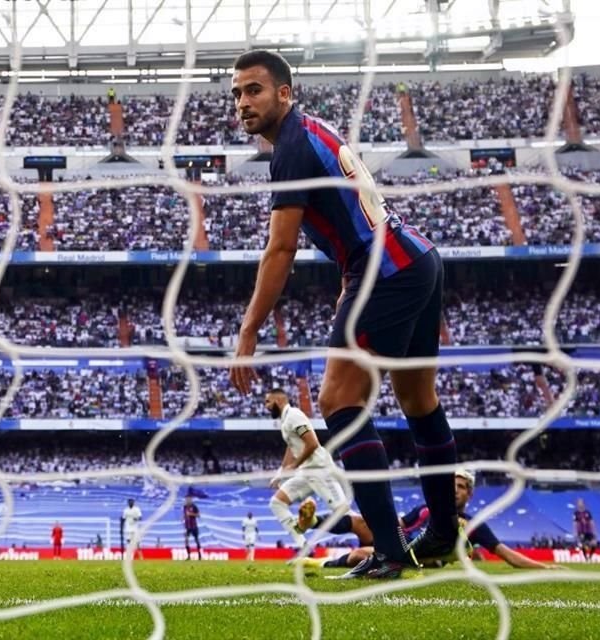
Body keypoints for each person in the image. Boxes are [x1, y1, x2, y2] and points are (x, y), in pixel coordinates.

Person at [229, 49, 457, 579]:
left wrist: (248, 331)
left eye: (254, 90)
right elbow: (350, 213)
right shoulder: (310, 131)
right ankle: (443, 533)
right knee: (419, 401)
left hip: (385, 269)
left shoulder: (290, 148)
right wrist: (347, 284)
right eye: (237, 93)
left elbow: (280, 249)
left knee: (336, 400)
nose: (243, 102)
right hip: (414, 258)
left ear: (284, 93)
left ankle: (389, 550)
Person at [306, 469, 559, 571]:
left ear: (469, 493)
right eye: (452, 485)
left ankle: (319, 565)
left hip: (424, 558)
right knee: (359, 521)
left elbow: (507, 555)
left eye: (461, 487)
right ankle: (313, 521)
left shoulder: (472, 524)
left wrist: (545, 568)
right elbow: (398, 526)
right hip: (402, 544)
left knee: (359, 555)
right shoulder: (425, 509)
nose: (455, 490)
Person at [265, 390, 348, 549]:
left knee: (343, 513)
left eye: (268, 402)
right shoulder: (285, 421)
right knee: (276, 503)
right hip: (306, 473)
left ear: (278, 400)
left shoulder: (294, 415)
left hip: (320, 470)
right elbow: (291, 447)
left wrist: (294, 466)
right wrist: (280, 474)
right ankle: (302, 545)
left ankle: (378, 539)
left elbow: (312, 443)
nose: (266, 406)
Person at [183, 495, 202, 559]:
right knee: (186, 540)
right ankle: (188, 556)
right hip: (187, 527)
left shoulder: (194, 506)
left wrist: (191, 514)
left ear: (191, 499)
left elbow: (198, 515)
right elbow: (185, 514)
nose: (187, 500)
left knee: (196, 540)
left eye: (188, 499)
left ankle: (199, 555)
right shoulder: (185, 507)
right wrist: (184, 518)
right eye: (186, 499)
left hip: (194, 526)